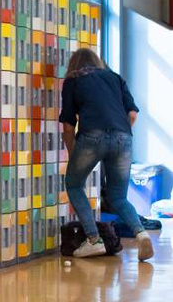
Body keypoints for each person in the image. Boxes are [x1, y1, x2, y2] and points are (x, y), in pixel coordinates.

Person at [60, 48, 153, 261]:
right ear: (96, 62)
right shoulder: (114, 78)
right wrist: (118, 138)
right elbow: (132, 115)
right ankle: (142, 234)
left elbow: (68, 126)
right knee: (118, 197)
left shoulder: (73, 80)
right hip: (123, 138)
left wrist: (74, 155)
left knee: (74, 184)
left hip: (92, 137)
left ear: (74, 65)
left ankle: (94, 240)